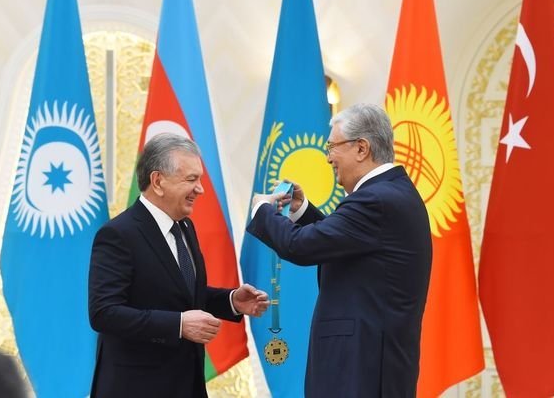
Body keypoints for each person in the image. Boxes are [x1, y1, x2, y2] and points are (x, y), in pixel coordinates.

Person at [247, 103, 432, 397]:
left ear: (361, 148)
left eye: (332, 147)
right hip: (366, 367)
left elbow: (300, 247)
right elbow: (343, 243)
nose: (328, 157)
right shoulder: (389, 193)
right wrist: (302, 210)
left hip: (361, 371)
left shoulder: (376, 200)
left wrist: (261, 209)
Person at [89, 133, 269, 398]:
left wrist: (230, 300)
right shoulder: (118, 234)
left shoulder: (185, 226)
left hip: (187, 385)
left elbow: (180, 294)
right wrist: (178, 325)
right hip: (137, 388)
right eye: (191, 179)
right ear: (158, 181)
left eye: (200, 179)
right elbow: (104, 312)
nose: (200, 189)